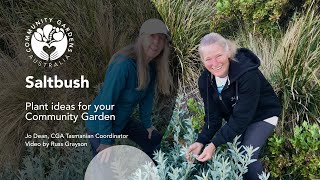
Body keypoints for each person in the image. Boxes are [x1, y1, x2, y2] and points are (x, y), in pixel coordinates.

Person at [186, 33, 282, 180]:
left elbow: (241, 118)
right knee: (233, 157)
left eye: (219, 56)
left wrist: (213, 145)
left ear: (228, 52)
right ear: (202, 61)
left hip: (263, 115)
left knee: (245, 157)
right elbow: (213, 117)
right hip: (239, 117)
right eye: (208, 59)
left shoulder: (247, 74)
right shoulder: (205, 81)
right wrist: (201, 141)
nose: (215, 63)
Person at [85, 19, 173, 160]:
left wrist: (147, 124)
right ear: (141, 38)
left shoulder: (151, 66)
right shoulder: (123, 65)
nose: (157, 42)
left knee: (155, 143)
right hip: (100, 125)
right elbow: (106, 103)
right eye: (152, 36)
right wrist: (106, 140)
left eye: (161, 38)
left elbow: (147, 97)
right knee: (107, 169)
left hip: (122, 120)